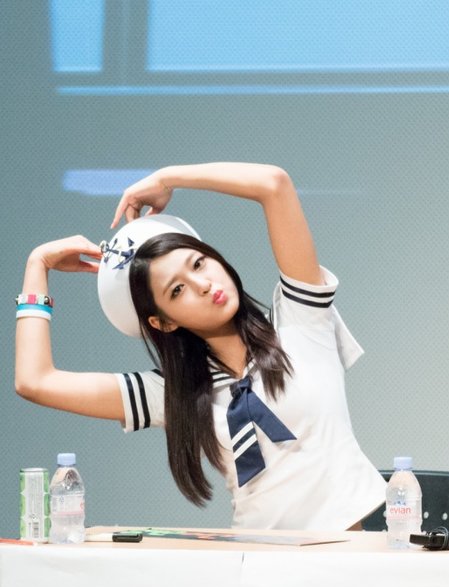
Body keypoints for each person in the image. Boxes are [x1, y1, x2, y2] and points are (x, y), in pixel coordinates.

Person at [15, 162, 385, 531]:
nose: (204, 284)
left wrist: (167, 178)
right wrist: (37, 266)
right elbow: (35, 382)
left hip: (350, 552)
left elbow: (274, 184)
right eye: (177, 290)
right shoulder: (177, 391)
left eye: (199, 263)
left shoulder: (300, 320)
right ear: (163, 322)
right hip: (256, 558)